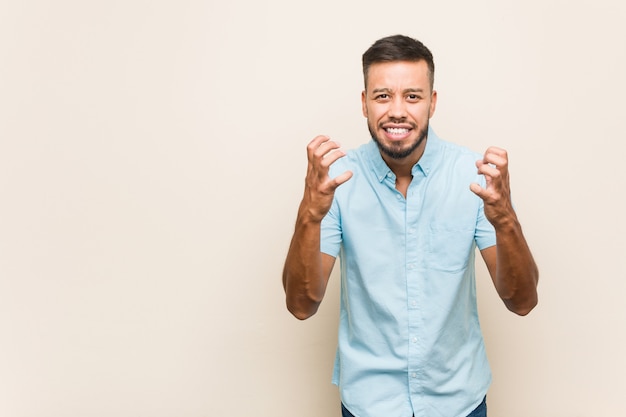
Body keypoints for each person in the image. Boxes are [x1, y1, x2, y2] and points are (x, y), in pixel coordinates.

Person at [282, 34, 538, 417]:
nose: (397, 111)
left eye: (413, 96)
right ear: (364, 104)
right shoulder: (336, 180)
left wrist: (506, 221)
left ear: (432, 103)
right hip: (369, 405)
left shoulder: (474, 176)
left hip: (459, 404)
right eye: (383, 96)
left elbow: (522, 302)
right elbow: (301, 306)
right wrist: (309, 213)